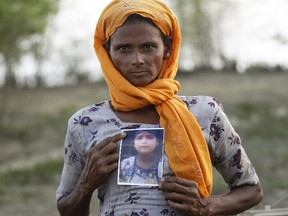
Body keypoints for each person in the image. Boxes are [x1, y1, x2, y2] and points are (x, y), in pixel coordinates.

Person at [56, 0, 263, 215]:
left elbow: (251, 190)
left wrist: (206, 206)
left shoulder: (204, 112)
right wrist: (85, 185)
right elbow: (67, 209)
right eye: (124, 48)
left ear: (167, 49)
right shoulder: (85, 122)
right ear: (108, 53)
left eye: (148, 46)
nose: (137, 60)